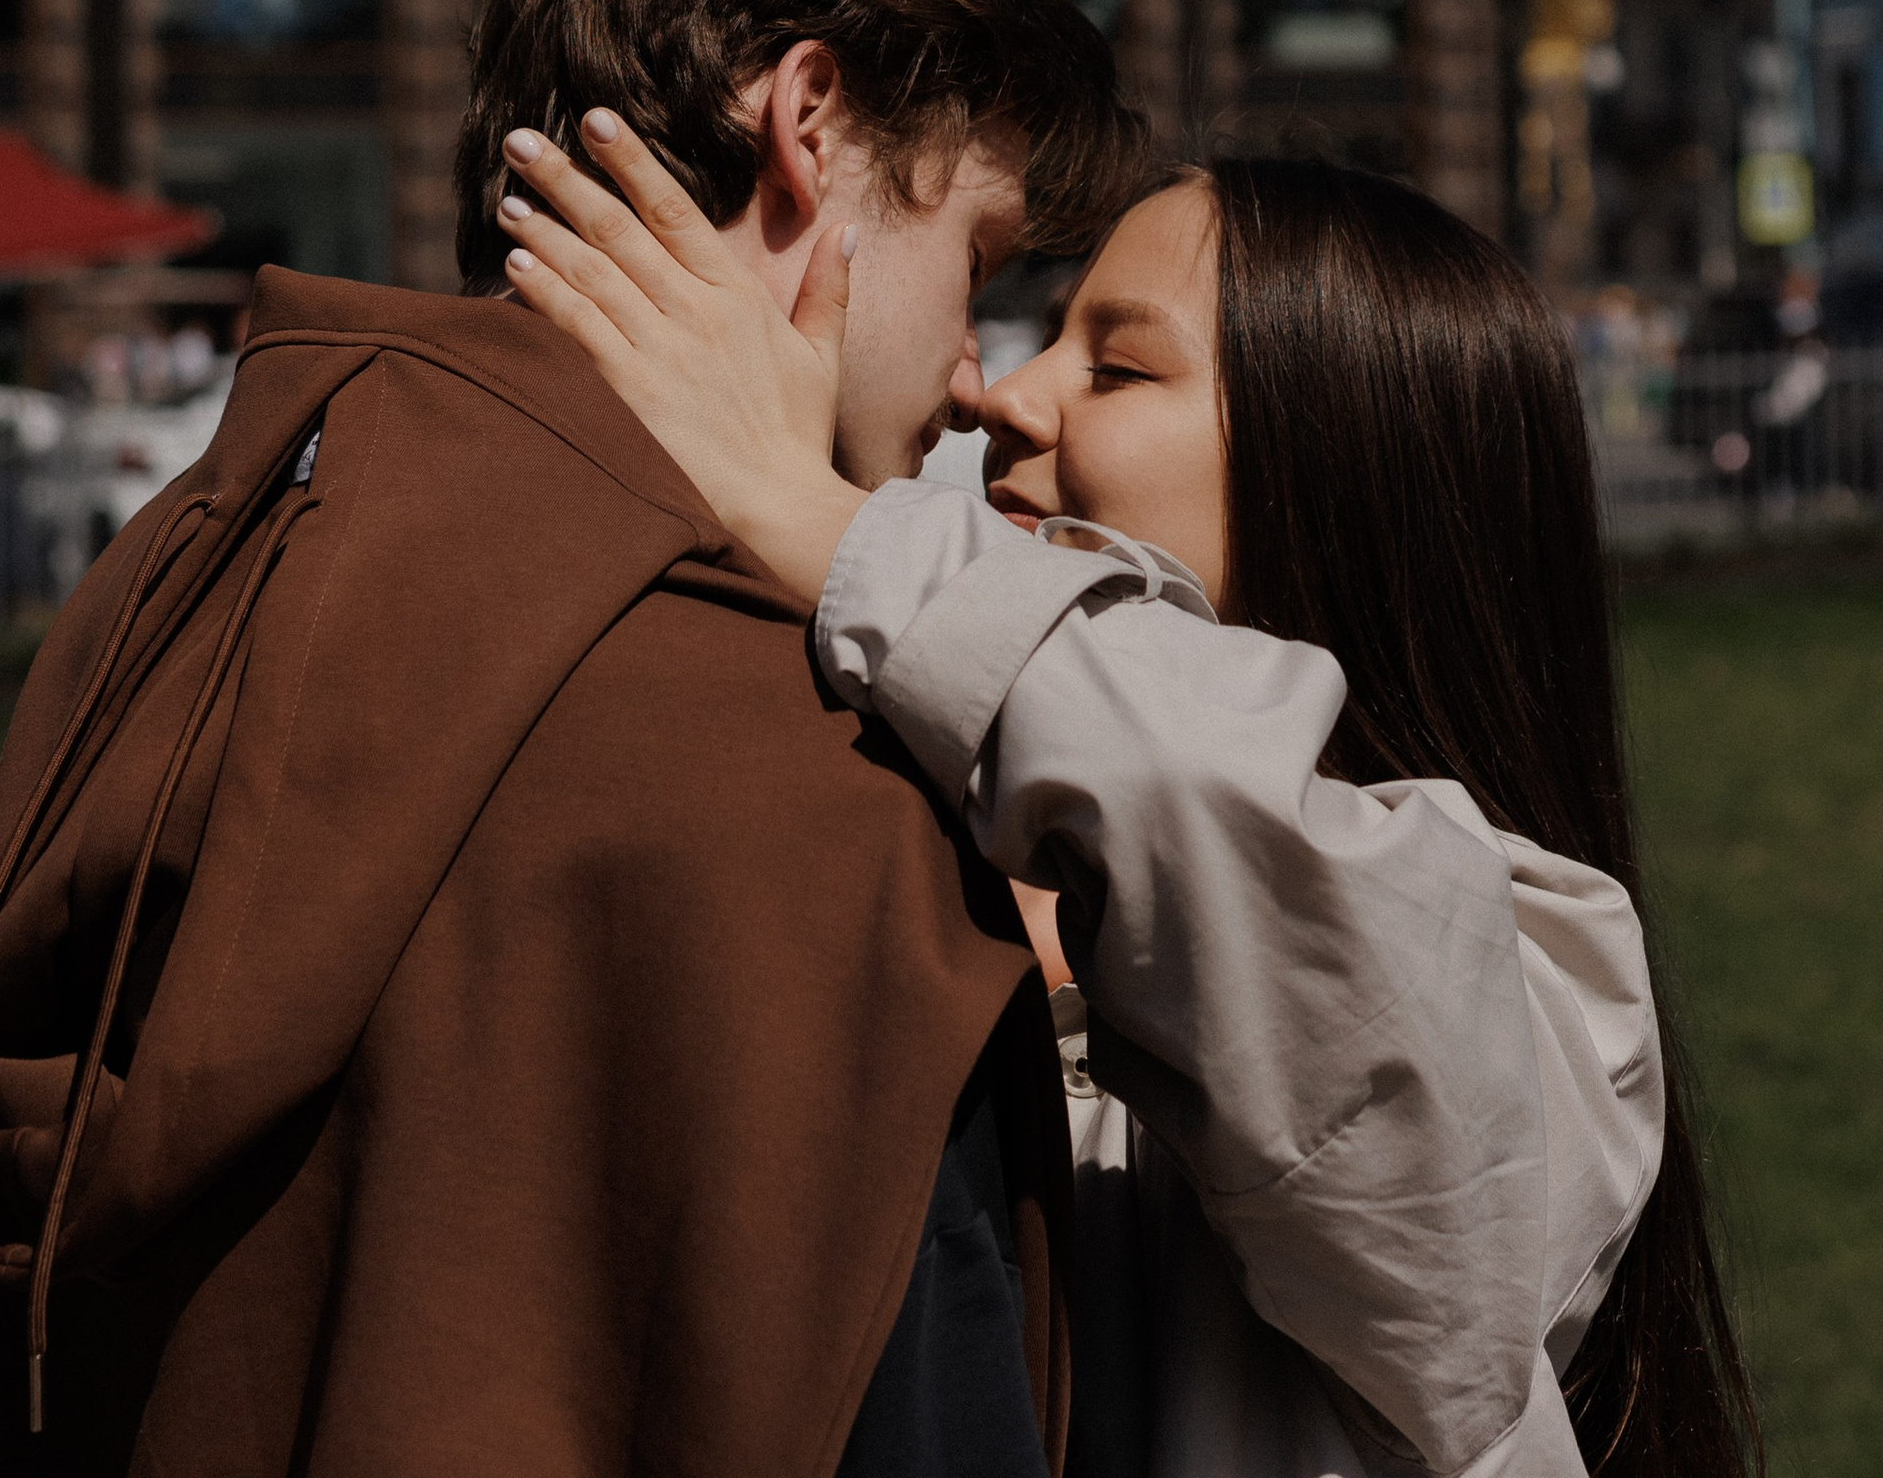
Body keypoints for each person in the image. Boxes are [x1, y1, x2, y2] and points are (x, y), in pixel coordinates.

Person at [0, 0, 1143, 1478]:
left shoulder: (168, 585)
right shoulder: (808, 791)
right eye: (977, 253)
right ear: (809, 124)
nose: (976, 373)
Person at [497, 126, 1764, 1478]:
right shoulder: (948, 826)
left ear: (1346, 477)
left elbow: (1238, 842)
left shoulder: (1540, 984)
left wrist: (825, 523)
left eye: (1119, 364)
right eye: (1044, 332)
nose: (1012, 394)